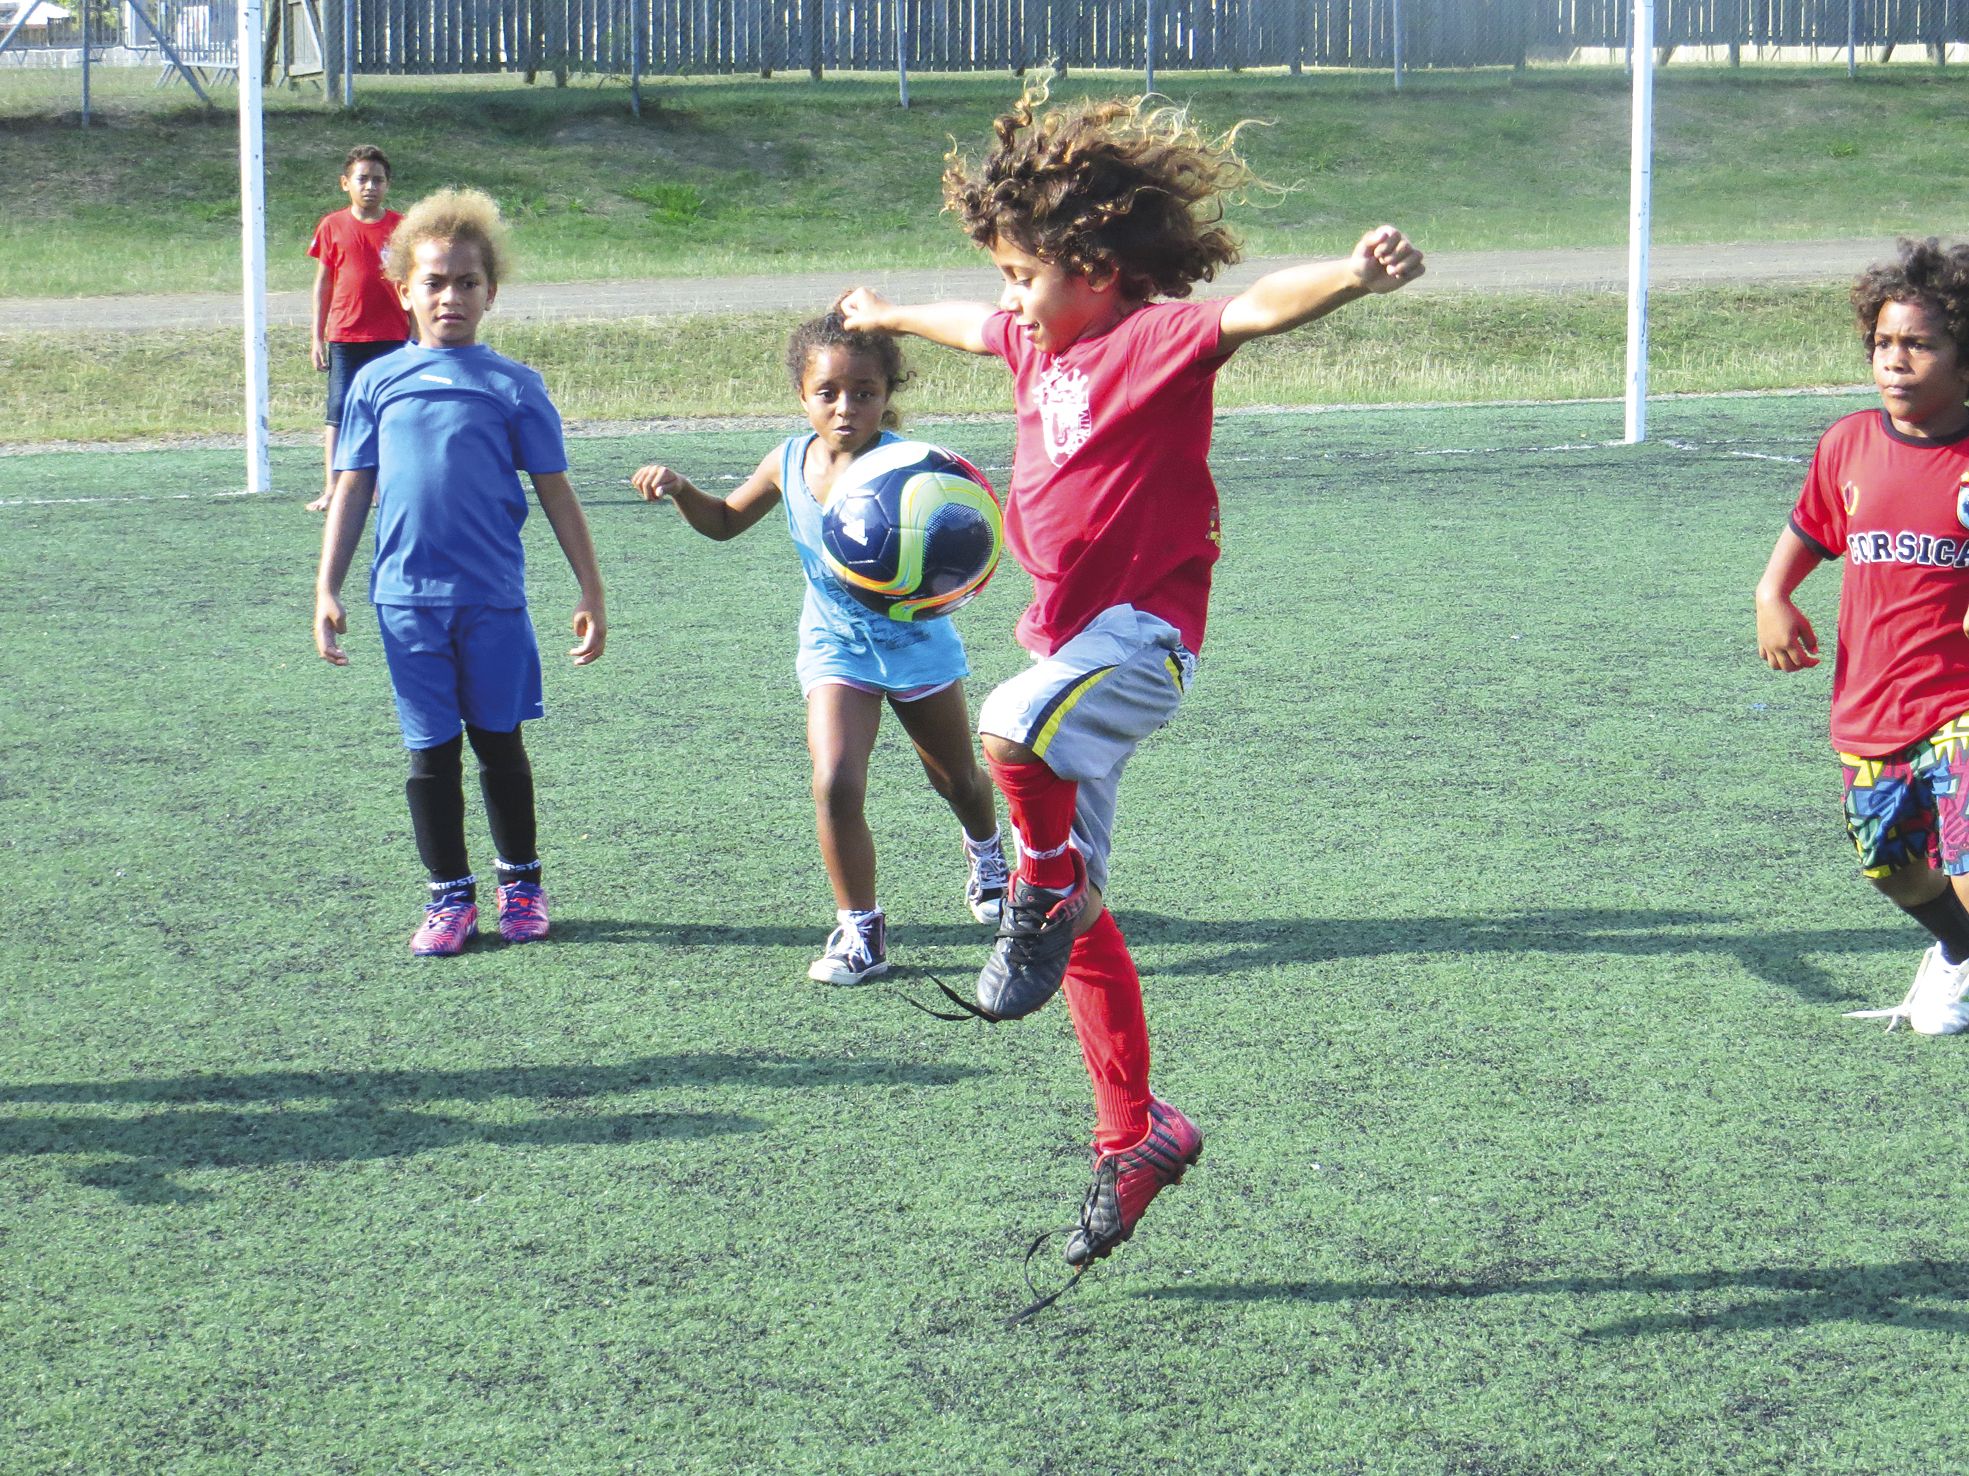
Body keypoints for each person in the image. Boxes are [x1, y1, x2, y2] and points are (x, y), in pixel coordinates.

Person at [840, 88, 1423, 1273]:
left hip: (1138, 642)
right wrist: (890, 311)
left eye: (1023, 275)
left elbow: (1252, 311)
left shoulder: (1142, 340)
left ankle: (1035, 892)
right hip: (1065, 653)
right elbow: (968, 325)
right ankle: (1134, 1133)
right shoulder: (1028, 338)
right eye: (1003, 275)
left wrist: (1354, 279)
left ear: (1095, 267)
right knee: (1087, 907)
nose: (1009, 298)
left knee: (1007, 730)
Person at [630, 312, 1009, 985]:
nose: (845, 407)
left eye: (863, 392)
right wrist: (685, 490)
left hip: (917, 647)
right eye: (827, 392)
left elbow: (963, 536)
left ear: (886, 394)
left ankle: (987, 857)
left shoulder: (908, 469)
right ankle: (860, 932)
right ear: (801, 395)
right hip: (836, 649)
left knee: (955, 779)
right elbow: (723, 523)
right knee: (834, 781)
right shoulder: (786, 459)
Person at [313, 188, 606, 956]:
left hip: (491, 601)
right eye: (434, 282)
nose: (450, 296)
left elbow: (554, 490)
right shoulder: (376, 383)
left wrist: (589, 586)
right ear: (402, 289)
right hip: (404, 602)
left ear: (491, 293)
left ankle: (521, 884)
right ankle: (449, 897)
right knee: (429, 754)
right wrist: (326, 586)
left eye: (466, 282)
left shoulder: (514, 384)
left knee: (499, 744)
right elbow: (352, 487)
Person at [1756, 236, 1969, 1035]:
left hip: (1959, 696)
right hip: (1871, 701)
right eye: (1883, 343)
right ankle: (1955, 954)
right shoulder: (1847, 443)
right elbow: (1812, 526)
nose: (1894, 360)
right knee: (1886, 861)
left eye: (1919, 344)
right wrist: (1772, 591)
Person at [306, 145, 411, 513]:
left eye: (378, 180)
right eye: (362, 179)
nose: (370, 186)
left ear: (388, 185)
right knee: (339, 412)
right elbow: (324, 284)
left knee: (389, 413)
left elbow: (412, 282)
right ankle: (334, 488)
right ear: (345, 183)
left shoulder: (401, 227)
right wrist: (316, 336)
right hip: (346, 335)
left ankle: (385, 488)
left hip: (393, 336)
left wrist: (416, 333)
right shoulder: (332, 225)